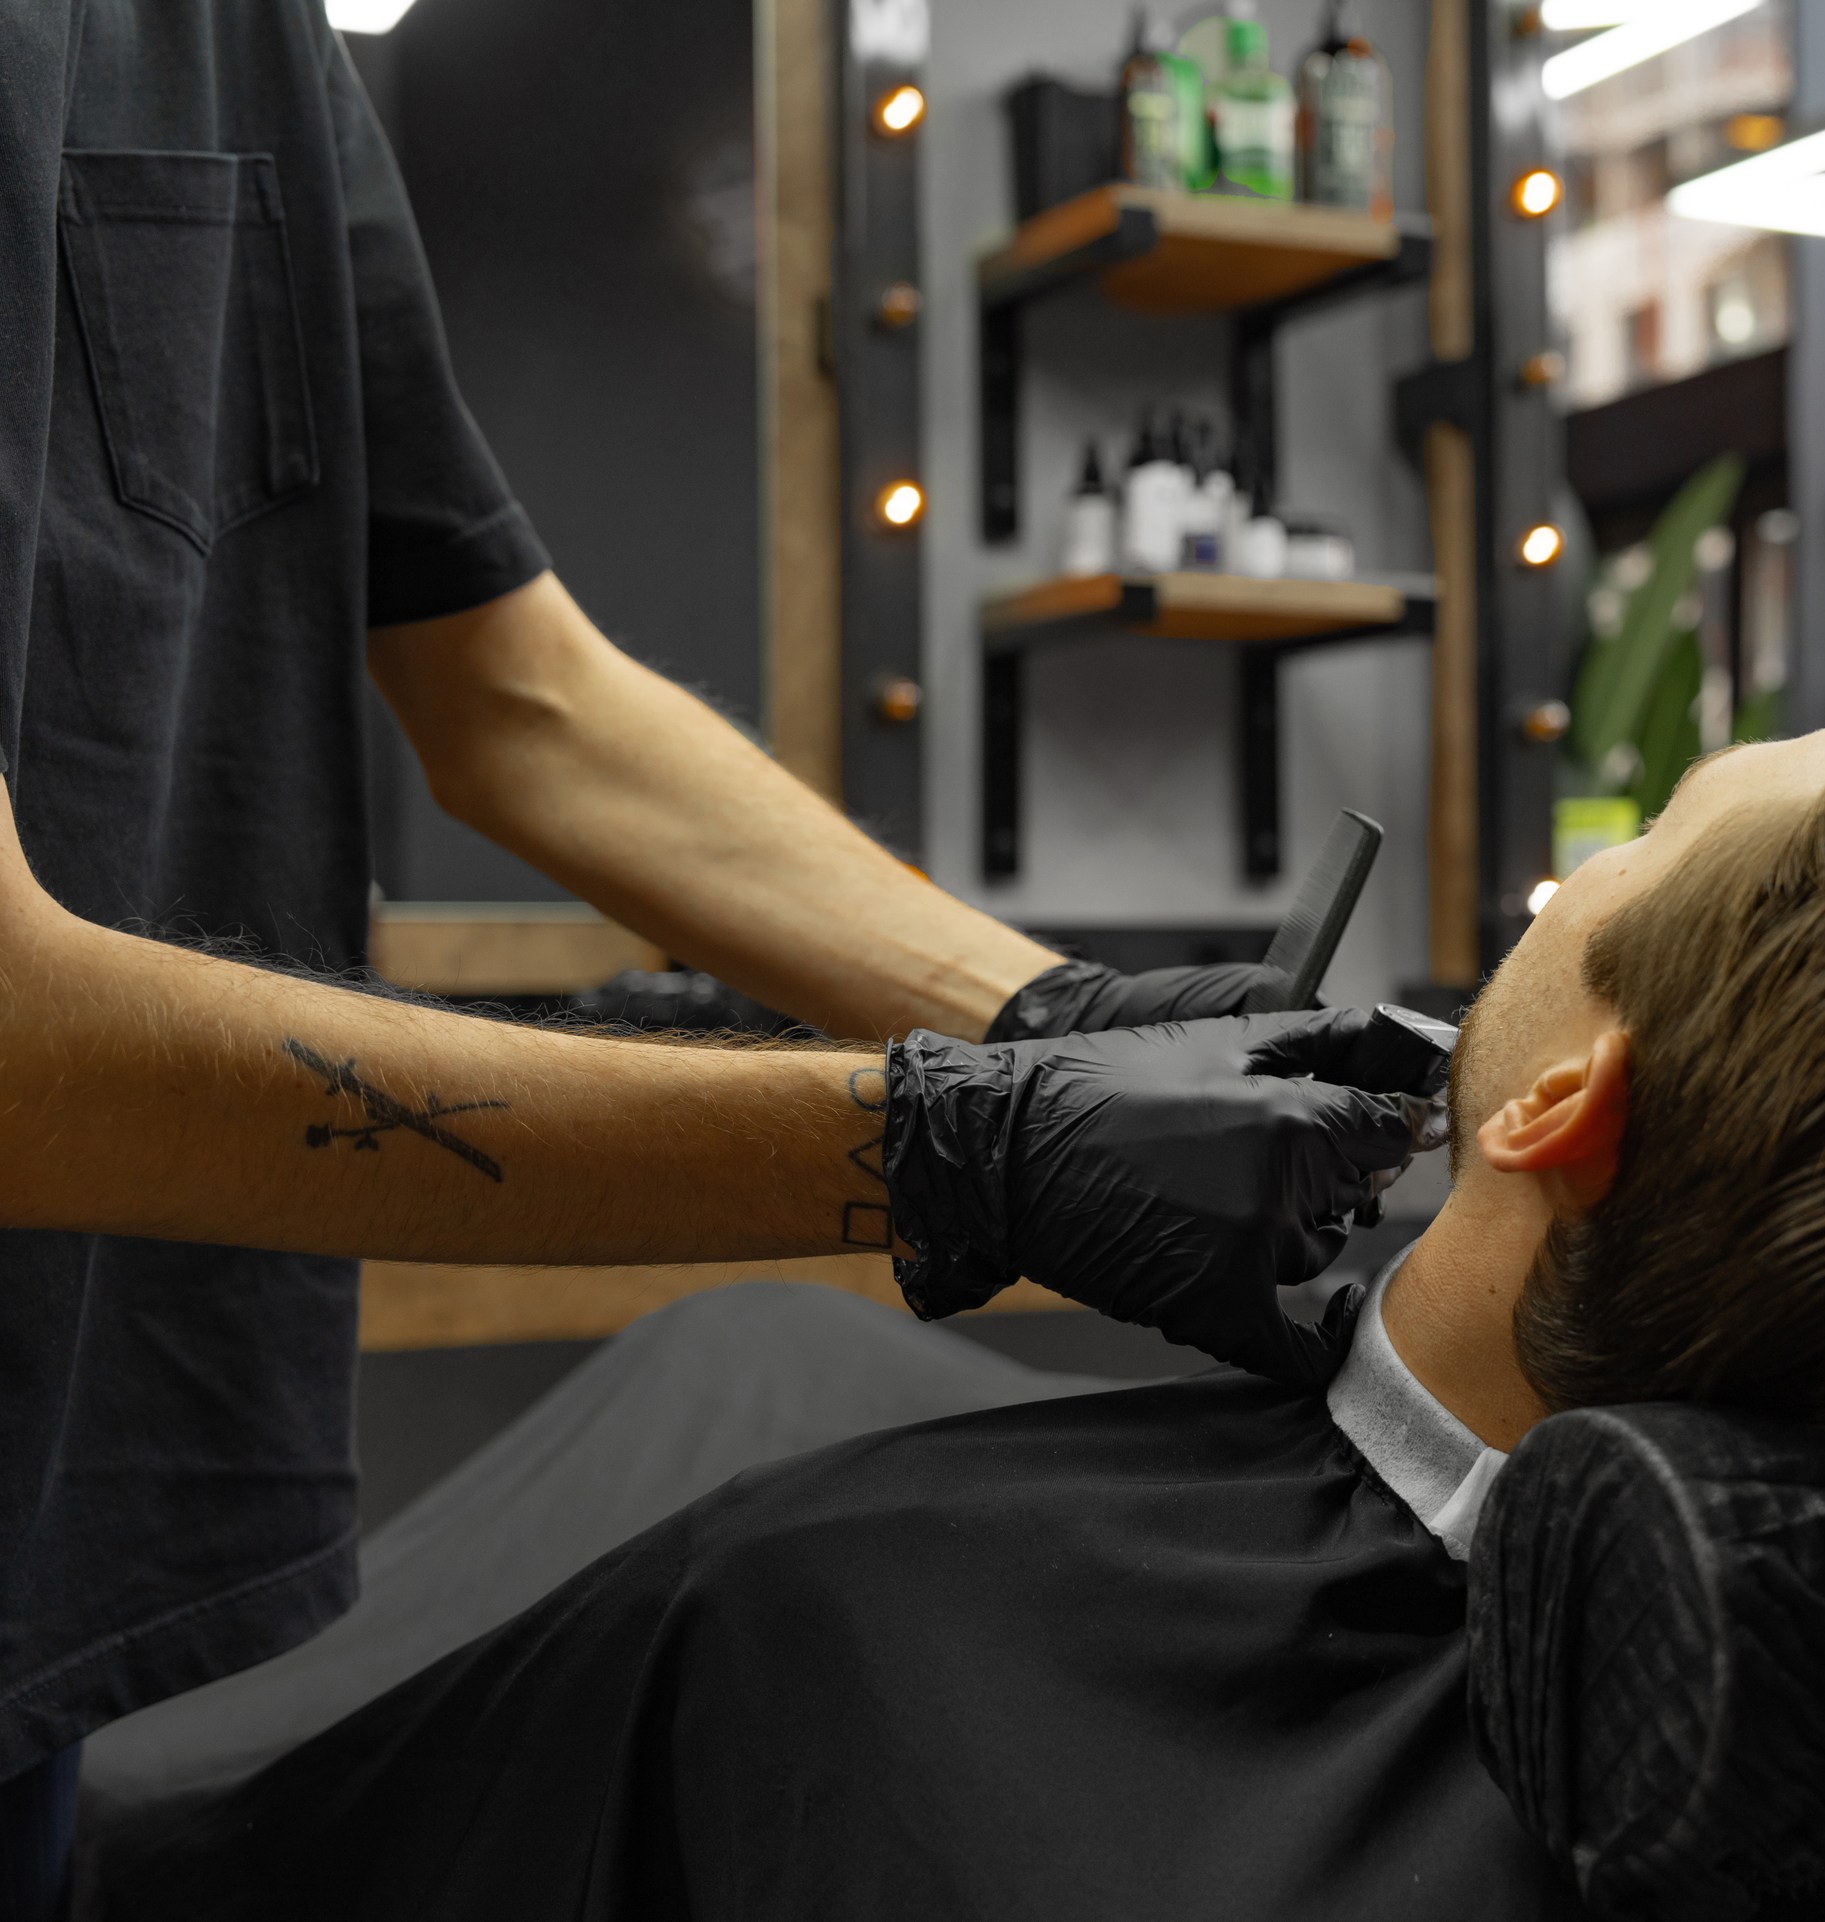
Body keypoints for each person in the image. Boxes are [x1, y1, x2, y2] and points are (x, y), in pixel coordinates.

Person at [92, 678, 1825, 1920]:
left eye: (1635, 839)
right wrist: (1024, 1034)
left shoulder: (826, 1618)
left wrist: (959, 1134)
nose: (1563, 880)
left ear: (1557, 1103)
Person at [0, 6, 1426, 1911]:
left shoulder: (239, 40)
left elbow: (523, 698)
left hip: (73, 1521)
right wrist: (959, 1145)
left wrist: (1044, 1015)